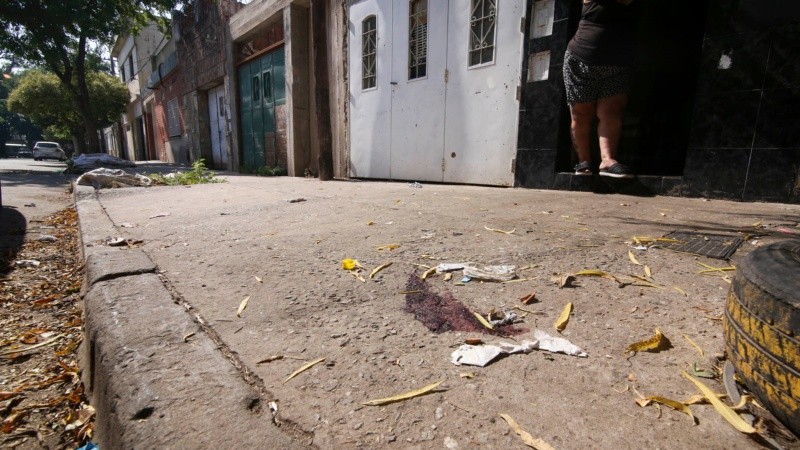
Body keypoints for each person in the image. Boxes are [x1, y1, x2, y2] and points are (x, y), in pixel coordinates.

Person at [563, 0, 639, 178]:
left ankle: (608, 160)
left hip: (618, 62)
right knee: (581, 112)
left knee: (612, 111)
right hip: (581, 58)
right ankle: (584, 161)